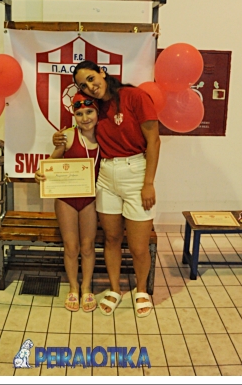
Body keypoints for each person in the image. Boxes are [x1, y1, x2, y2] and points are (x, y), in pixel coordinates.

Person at [53, 60, 160, 317]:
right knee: (111, 239)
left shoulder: (134, 96)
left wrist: (148, 183)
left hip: (136, 173)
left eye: (91, 78)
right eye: (83, 85)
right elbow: (79, 127)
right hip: (106, 175)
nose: (89, 87)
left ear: (102, 72)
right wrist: (59, 139)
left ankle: (141, 290)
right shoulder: (95, 107)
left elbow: (154, 141)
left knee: (138, 246)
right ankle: (114, 289)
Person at [35, 91, 101, 313]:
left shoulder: (105, 137)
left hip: (90, 199)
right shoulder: (68, 136)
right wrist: (40, 173)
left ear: (97, 112)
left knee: (88, 246)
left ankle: (86, 287)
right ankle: (73, 287)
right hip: (66, 200)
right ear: (74, 116)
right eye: (79, 114)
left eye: (89, 112)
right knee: (71, 247)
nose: (85, 118)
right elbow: (52, 162)